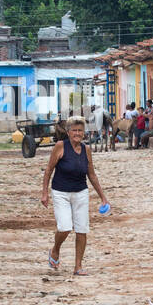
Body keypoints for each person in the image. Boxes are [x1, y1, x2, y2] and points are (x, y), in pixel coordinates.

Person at [41, 115, 109, 276]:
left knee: (82, 229)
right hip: (60, 192)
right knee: (64, 227)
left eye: (80, 130)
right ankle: (55, 250)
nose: (77, 133)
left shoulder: (86, 149)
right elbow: (49, 170)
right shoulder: (60, 146)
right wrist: (45, 193)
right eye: (74, 130)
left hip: (81, 192)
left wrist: (103, 197)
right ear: (68, 132)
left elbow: (91, 174)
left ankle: (78, 266)